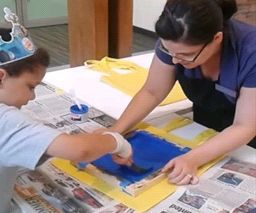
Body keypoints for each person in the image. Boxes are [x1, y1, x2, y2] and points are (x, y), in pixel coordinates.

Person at [98, 0, 256, 185]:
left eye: (186, 55)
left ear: (216, 39)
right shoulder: (175, 42)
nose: (174, 60)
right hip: (209, 122)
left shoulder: (250, 52)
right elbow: (152, 91)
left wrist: (192, 159)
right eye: (167, 50)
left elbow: (244, 126)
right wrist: (115, 132)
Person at [0, 8, 132, 212]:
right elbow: (81, 150)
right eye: (31, 87)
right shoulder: (6, 119)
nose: (32, 97)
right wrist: (118, 142)